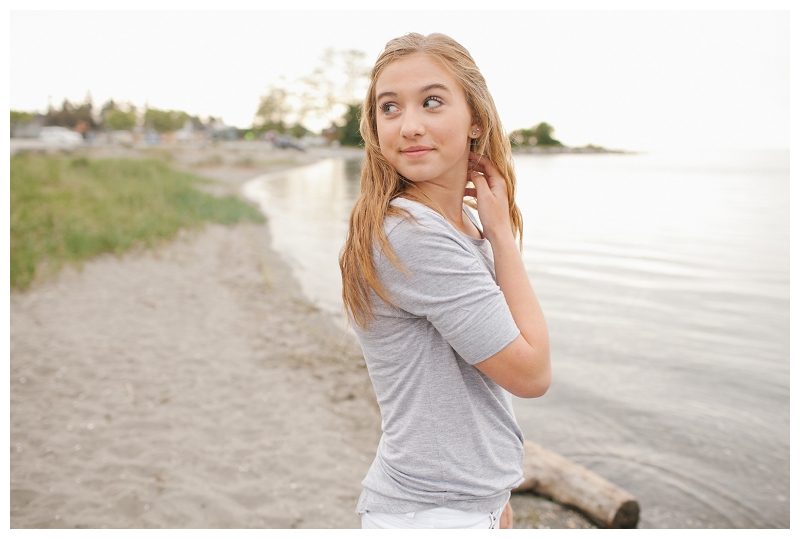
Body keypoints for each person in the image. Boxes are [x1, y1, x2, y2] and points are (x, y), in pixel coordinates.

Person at [339, 32, 551, 530]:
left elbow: (469, 388)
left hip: (456, 504)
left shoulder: (453, 227)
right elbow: (532, 374)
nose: (409, 126)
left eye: (432, 102)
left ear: (476, 119)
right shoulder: (413, 236)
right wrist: (502, 237)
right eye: (389, 108)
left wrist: (494, 495)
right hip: (432, 515)